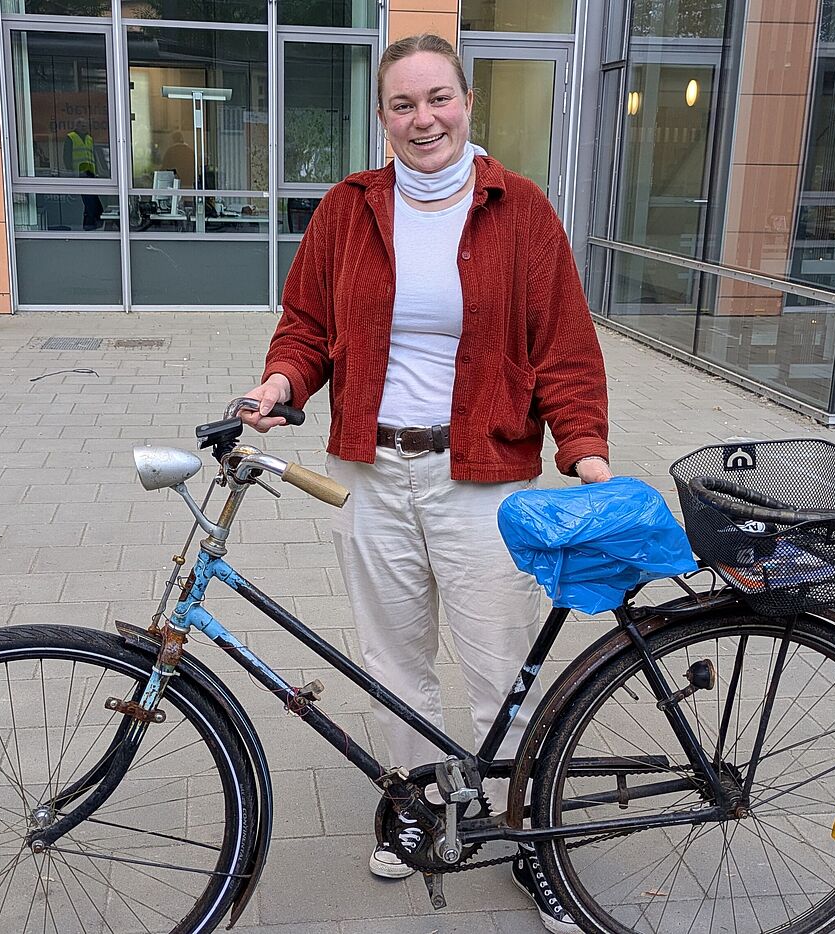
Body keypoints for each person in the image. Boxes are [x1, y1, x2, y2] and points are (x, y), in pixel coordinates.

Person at [240, 33, 610, 934]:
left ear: (468, 102)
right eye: (403, 105)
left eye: (437, 98)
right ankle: (417, 811)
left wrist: (588, 452)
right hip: (370, 469)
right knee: (395, 663)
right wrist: (281, 383)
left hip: (481, 472)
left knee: (498, 666)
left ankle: (529, 838)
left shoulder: (519, 210)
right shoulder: (350, 206)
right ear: (383, 117)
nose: (423, 119)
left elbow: (563, 343)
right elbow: (307, 323)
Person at [63, 117, 103, 230]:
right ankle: (91, 223)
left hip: (90, 172)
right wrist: (70, 171)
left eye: (86, 125)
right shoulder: (71, 137)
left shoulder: (89, 138)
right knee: (89, 200)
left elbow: (92, 155)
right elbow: (67, 156)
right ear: (77, 125)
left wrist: (97, 172)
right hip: (79, 173)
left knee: (90, 199)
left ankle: (89, 223)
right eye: (82, 125)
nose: (85, 127)